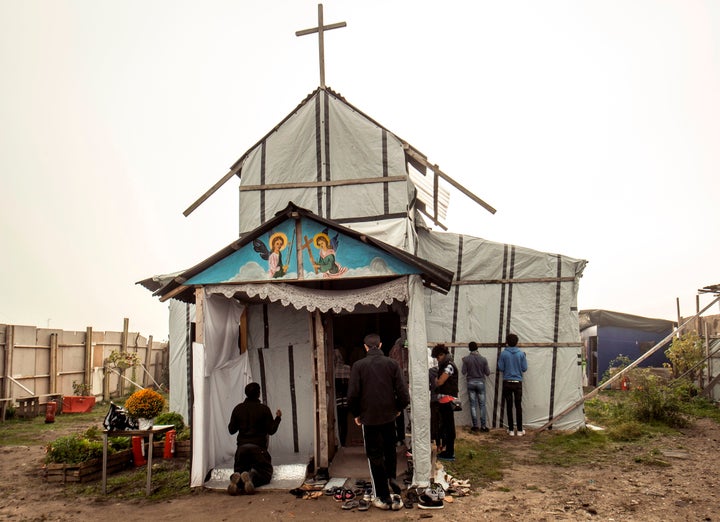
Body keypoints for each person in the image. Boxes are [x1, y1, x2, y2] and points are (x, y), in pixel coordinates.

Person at [347, 333, 410, 511]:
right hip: (389, 416)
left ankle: (382, 495)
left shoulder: (358, 366)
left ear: (365, 347)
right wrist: (398, 408)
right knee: (390, 451)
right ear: (381, 345)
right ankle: (392, 481)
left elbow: (352, 394)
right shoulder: (392, 364)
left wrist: (357, 414)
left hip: (369, 417)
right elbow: (403, 392)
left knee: (374, 455)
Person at [227, 382, 282, 495]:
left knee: (241, 471)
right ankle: (251, 476)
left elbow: (231, 430)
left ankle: (236, 479)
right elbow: (271, 431)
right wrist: (278, 418)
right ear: (258, 394)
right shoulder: (263, 409)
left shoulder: (238, 409)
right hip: (258, 449)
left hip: (241, 450)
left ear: (246, 394)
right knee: (266, 474)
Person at [431, 343, 458, 461]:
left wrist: (436, 380)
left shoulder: (448, 366)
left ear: (442, 354)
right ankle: (447, 449)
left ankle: (450, 452)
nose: (437, 359)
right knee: (445, 427)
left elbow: (440, 381)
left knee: (448, 427)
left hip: (447, 400)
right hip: (444, 400)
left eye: (438, 357)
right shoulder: (446, 365)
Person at [497, 333, 528, 436]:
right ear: (517, 342)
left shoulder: (503, 354)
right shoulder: (521, 354)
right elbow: (524, 368)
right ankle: (519, 430)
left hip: (507, 382)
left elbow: (500, 368)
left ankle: (510, 430)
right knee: (518, 406)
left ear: (507, 342)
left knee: (509, 406)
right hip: (517, 383)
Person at [462, 341, 491, 433]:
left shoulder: (466, 359)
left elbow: (463, 372)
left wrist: (464, 362)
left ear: (469, 349)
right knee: (482, 405)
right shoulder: (483, 359)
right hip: (480, 383)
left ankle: (475, 426)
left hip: (470, 383)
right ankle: (483, 426)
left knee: (473, 405)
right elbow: (487, 373)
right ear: (477, 348)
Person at [387, 337, 408, 445]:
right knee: (401, 412)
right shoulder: (407, 350)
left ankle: (398, 438)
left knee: (396, 414)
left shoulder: (393, 351)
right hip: (405, 385)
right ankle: (401, 437)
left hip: (395, 386)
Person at [334, 348, 351, 446]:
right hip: (346, 399)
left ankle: (339, 441)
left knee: (337, 420)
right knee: (344, 421)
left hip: (336, 399)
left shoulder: (332, 370)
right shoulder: (348, 368)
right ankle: (343, 442)